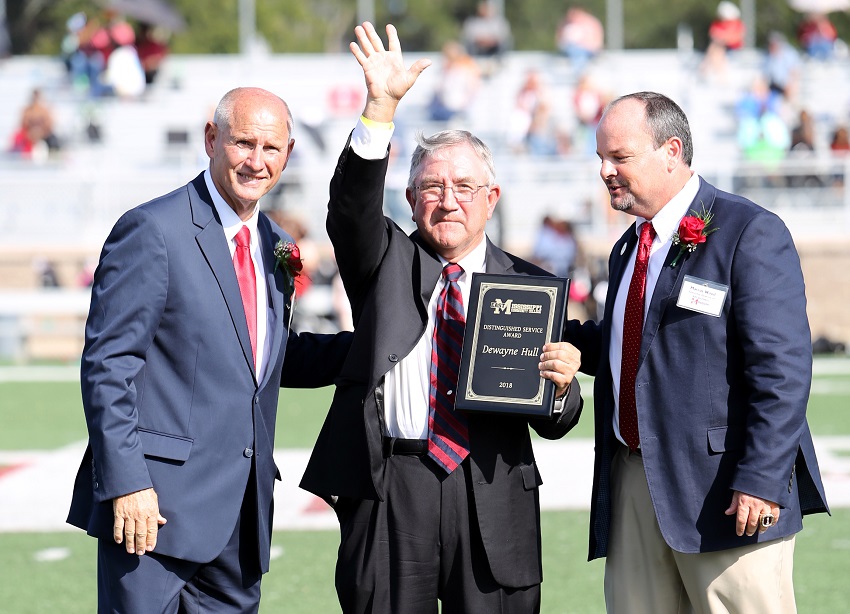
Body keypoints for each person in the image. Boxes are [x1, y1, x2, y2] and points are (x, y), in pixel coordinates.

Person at [300, 22, 584, 613]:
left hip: (490, 484)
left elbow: (556, 423)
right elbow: (350, 210)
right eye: (431, 187)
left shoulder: (531, 287)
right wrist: (380, 108)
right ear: (409, 200)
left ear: (492, 197)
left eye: (463, 185)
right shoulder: (385, 261)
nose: (447, 199)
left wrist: (561, 388)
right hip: (392, 484)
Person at [67, 87, 351, 612]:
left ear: (288, 155)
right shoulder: (152, 230)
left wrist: (375, 351)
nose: (257, 161)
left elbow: (262, 362)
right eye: (244, 143)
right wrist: (128, 484)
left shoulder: (274, 243)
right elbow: (108, 367)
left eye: (272, 149)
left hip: (240, 521)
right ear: (211, 139)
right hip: (152, 516)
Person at [566, 91, 829, 612]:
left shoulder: (748, 231)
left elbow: (782, 370)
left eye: (619, 157)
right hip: (633, 482)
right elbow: (634, 342)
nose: (604, 171)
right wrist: (562, 343)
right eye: (600, 157)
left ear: (671, 150)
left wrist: (761, 479)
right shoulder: (629, 245)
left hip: (727, 491)